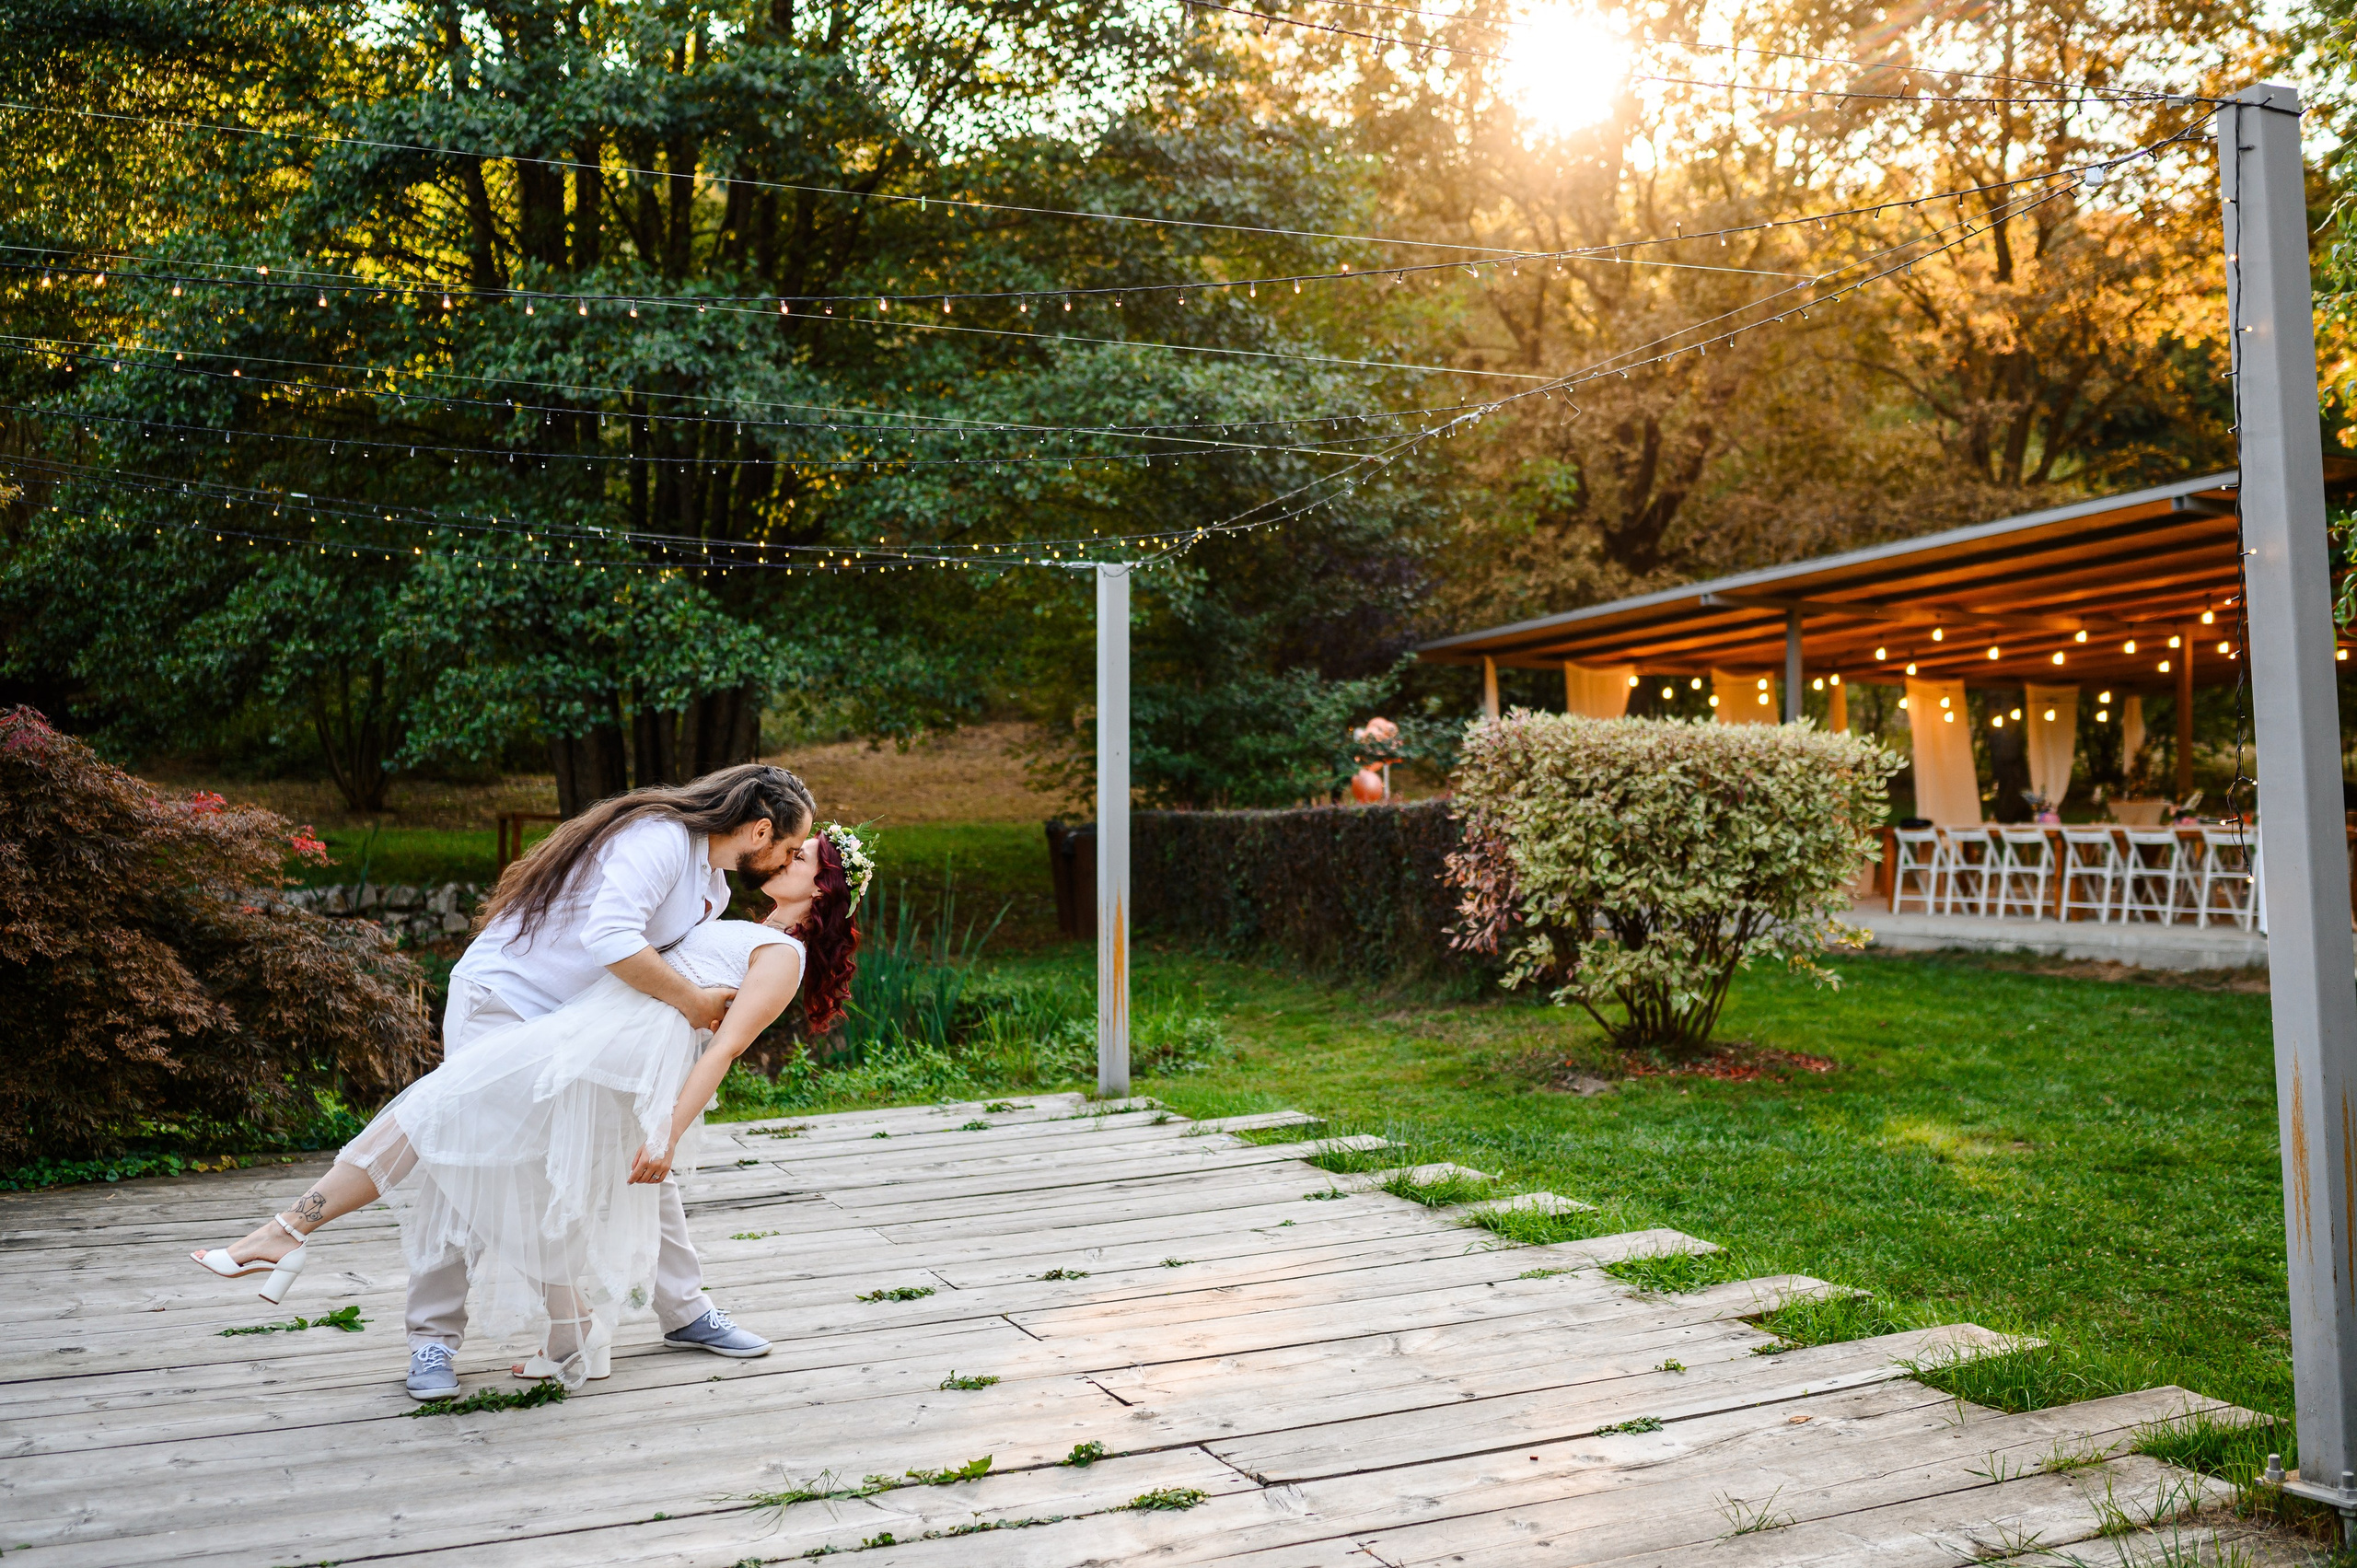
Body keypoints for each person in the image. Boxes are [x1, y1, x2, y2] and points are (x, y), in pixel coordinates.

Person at [194, 761, 814, 1399]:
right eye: (791, 847)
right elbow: (610, 938)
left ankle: (678, 1308)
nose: (790, 859)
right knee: (462, 1151)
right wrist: (691, 1001)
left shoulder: (711, 886)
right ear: (761, 829)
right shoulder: (659, 839)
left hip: (574, 1024)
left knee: (641, 1149)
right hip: (506, 998)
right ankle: (434, 1338)